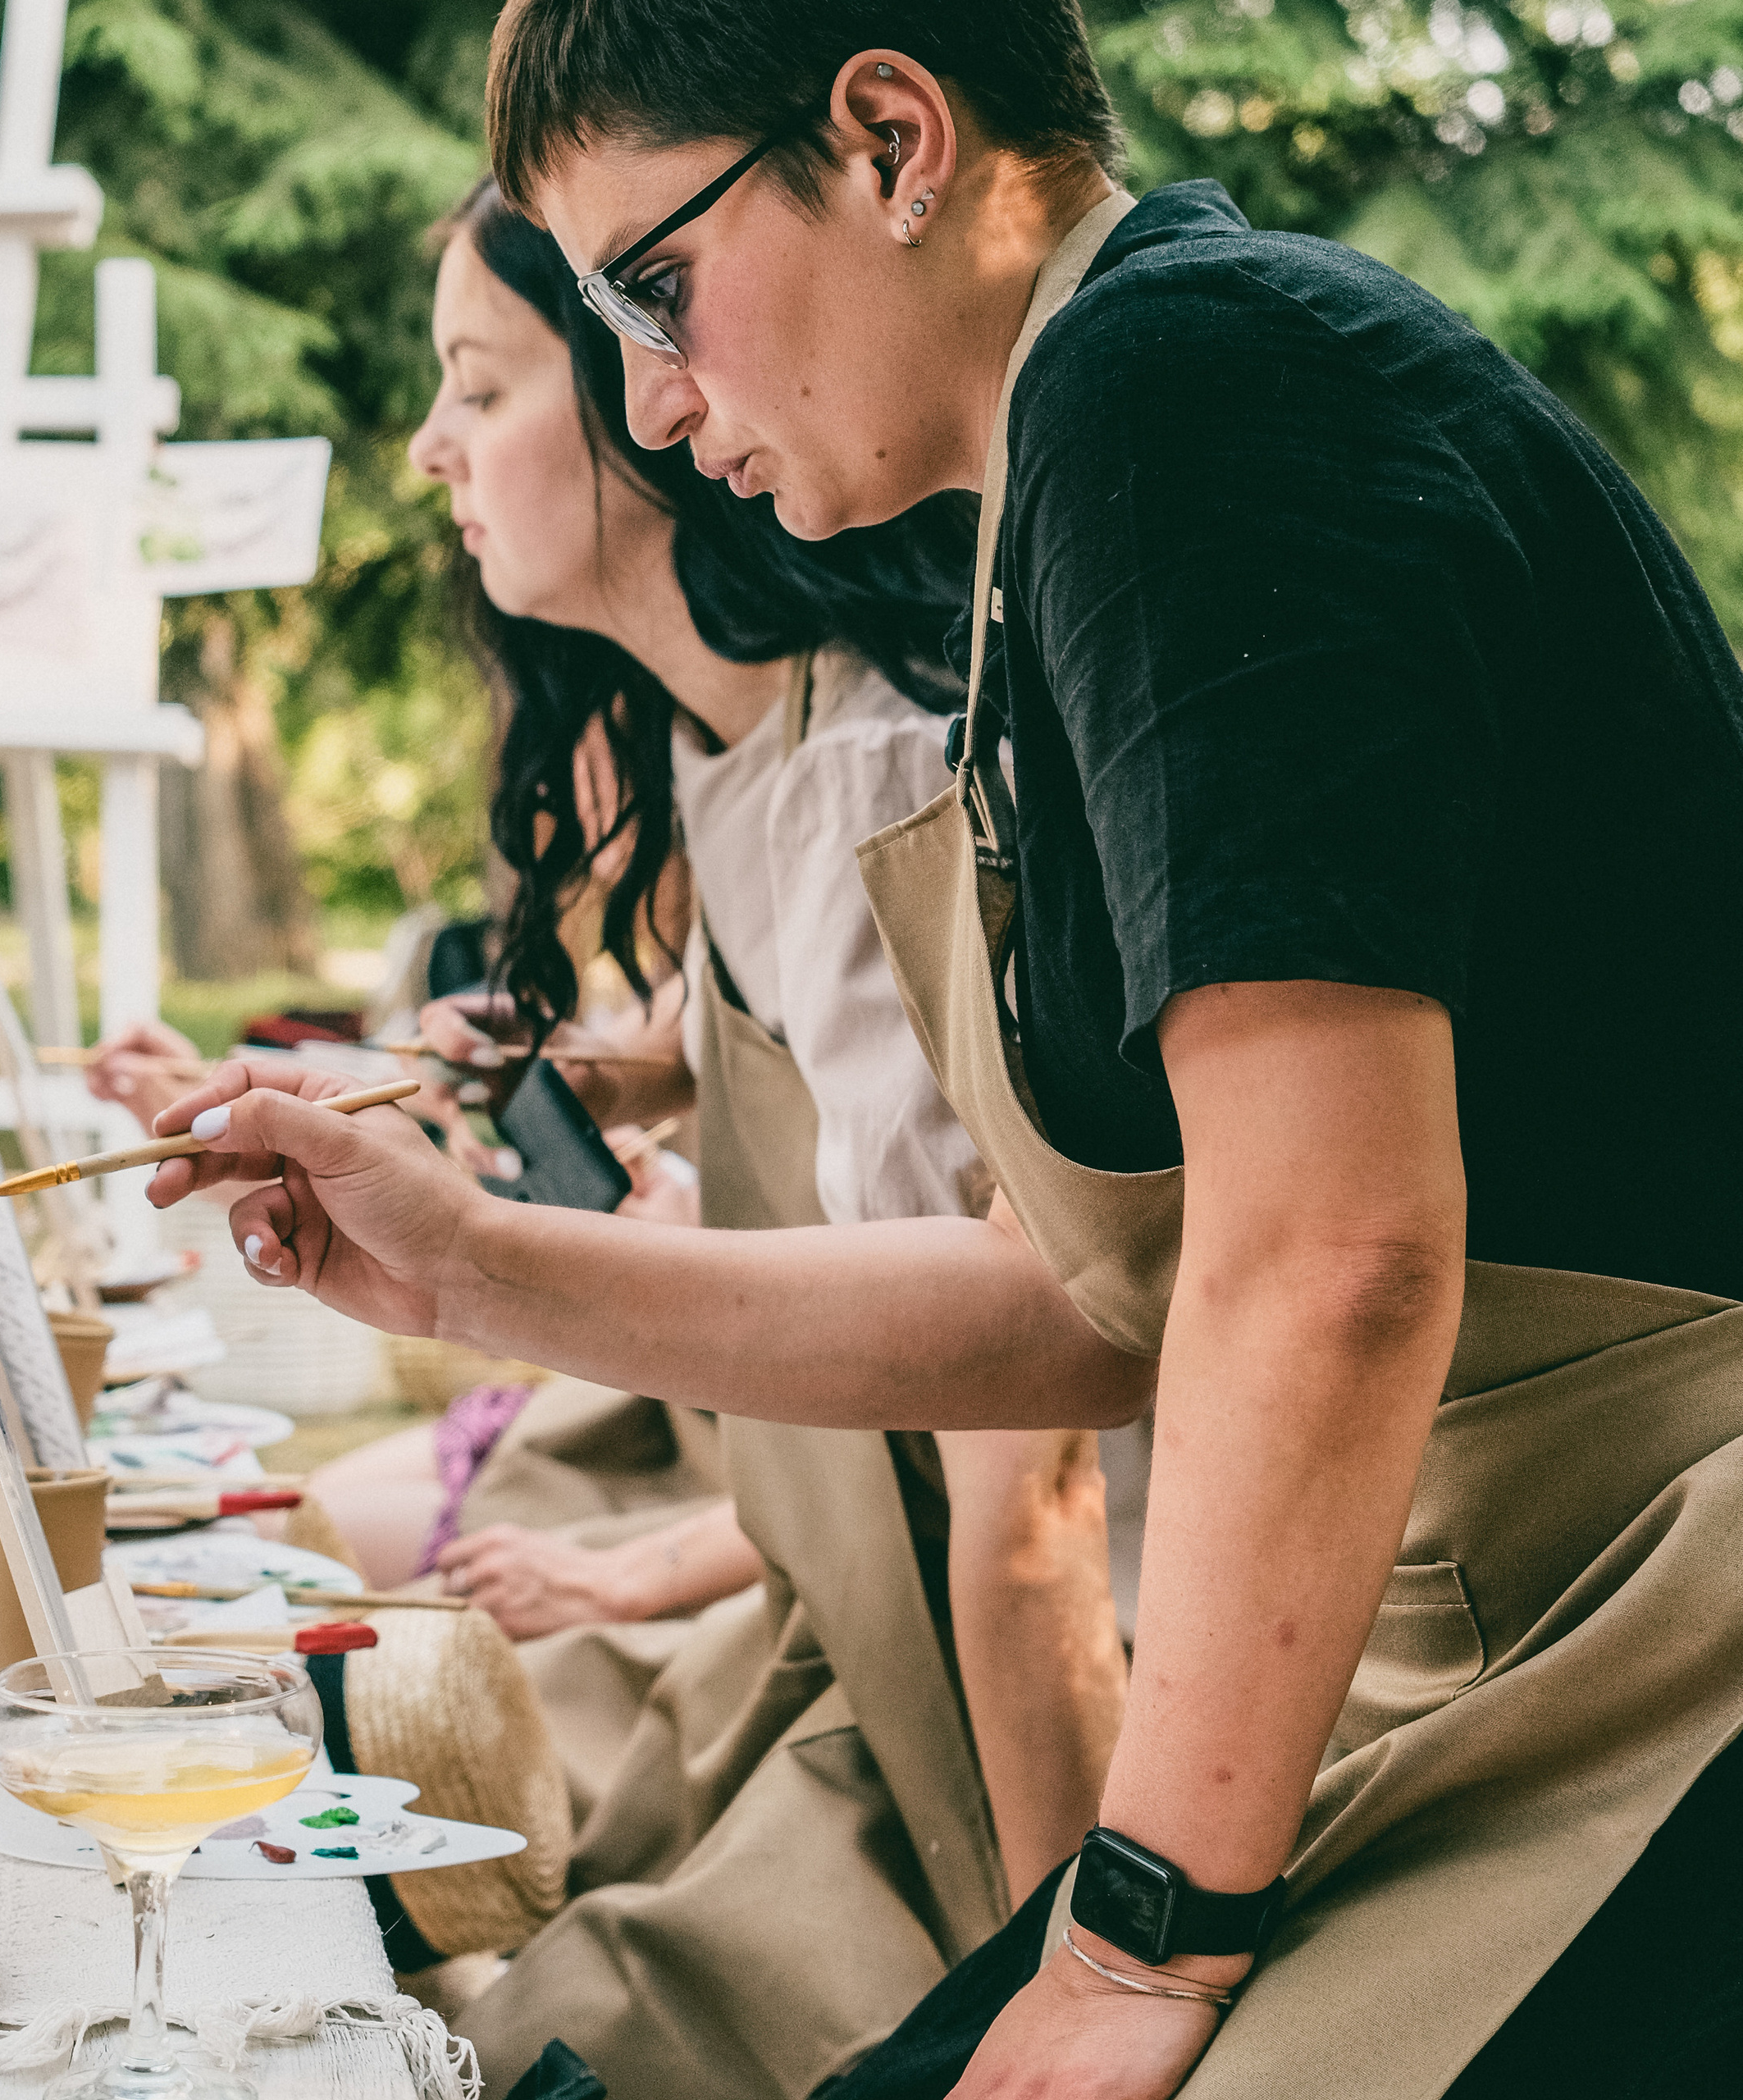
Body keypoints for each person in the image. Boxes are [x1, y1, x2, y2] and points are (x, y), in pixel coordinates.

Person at [148, 3, 1743, 2096]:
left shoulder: (1184, 384)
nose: (647, 397)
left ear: (892, 137)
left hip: (1654, 1618)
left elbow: (1332, 1254)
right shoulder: (1087, 451)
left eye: (651, 284)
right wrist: (465, 1265)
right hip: (1495, 1614)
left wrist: (1134, 1925)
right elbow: (1098, 1296)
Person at [113, 176, 1132, 2097]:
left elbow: (1031, 1492)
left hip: (972, 1718)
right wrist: (489, 1090)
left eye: (477, 385)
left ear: (640, 401)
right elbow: (742, 1072)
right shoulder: (735, 755)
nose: (429, 446)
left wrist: (1060, 1958)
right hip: (841, 1625)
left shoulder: (871, 772)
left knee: (468, 2009)